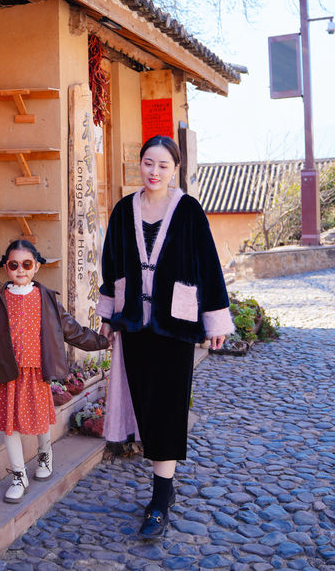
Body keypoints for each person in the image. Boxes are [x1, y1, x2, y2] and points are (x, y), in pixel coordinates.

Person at [96, 135, 234, 538]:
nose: (153, 172)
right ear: (138, 165)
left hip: (176, 325)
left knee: (169, 408)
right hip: (136, 323)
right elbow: (111, 263)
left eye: (162, 165)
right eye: (147, 163)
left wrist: (216, 323)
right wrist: (108, 314)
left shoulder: (189, 211)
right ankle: (162, 487)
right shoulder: (124, 210)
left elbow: (208, 266)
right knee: (145, 403)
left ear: (175, 170)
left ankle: (160, 497)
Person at [0, 239, 109, 503]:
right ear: (6, 268)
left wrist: (103, 341)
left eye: (26, 264)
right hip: (6, 373)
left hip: (35, 372)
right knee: (10, 427)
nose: (20, 270)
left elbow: (73, 331)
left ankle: (45, 453)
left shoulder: (47, 300)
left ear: (37, 267)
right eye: (13, 265)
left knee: (40, 418)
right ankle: (18, 475)